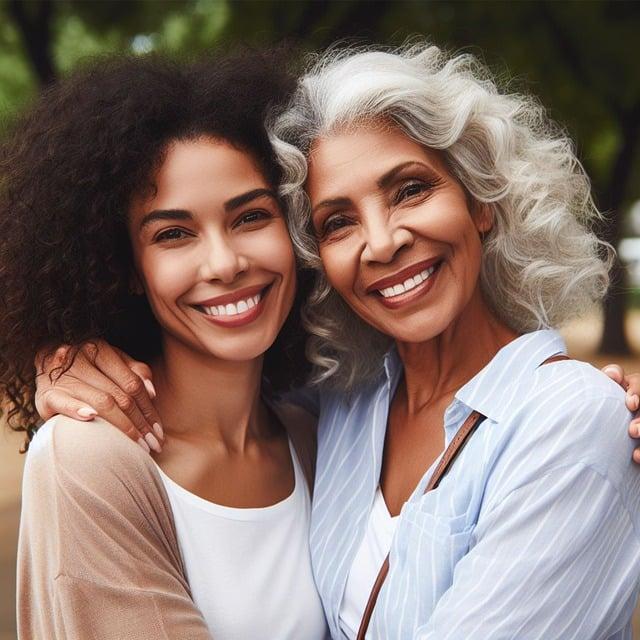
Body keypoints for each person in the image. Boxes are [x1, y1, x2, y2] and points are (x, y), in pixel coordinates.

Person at [30, 44, 640, 638]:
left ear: (481, 200)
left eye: (410, 190)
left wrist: (593, 412)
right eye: (338, 222)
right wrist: (59, 358)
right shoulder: (342, 411)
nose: (381, 243)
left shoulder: (568, 419)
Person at [0, 53, 327, 639]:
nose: (225, 263)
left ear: (297, 226)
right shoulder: (89, 460)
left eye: (251, 216)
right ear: (124, 266)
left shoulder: (316, 436)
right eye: (173, 234)